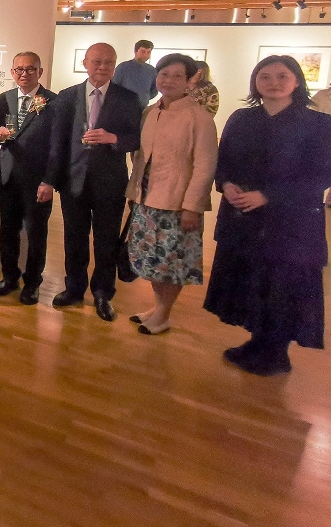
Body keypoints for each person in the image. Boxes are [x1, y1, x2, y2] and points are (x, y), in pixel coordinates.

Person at [204, 56, 331, 375]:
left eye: (282, 76)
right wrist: (226, 184)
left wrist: (268, 196)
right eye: (265, 76)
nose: (273, 82)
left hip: (291, 222)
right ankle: (258, 342)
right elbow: (224, 160)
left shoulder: (318, 124)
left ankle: (275, 352)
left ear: (297, 81)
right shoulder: (241, 119)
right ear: (255, 82)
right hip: (243, 217)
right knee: (252, 280)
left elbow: (320, 175)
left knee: (282, 285)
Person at [43, 43, 141, 322]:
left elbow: (137, 139)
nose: (102, 67)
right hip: (73, 181)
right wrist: (50, 180)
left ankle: (102, 293)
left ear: (115, 65)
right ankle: (74, 289)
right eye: (97, 61)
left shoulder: (128, 98)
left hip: (110, 182)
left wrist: (114, 139)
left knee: (106, 241)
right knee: (74, 239)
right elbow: (57, 144)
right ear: (85, 63)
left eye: (109, 62)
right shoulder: (67, 97)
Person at [123, 54, 218, 335]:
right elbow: (140, 156)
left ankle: (164, 314)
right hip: (146, 198)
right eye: (164, 74)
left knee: (171, 262)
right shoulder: (150, 112)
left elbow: (205, 166)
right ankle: (158, 307)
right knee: (152, 260)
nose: (169, 80)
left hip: (177, 203)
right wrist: (134, 190)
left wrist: (192, 206)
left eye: (178, 76)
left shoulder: (199, 117)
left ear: (190, 80)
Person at [0, 51, 57, 305]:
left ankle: (32, 283)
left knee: (36, 234)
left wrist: (49, 181)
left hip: (37, 181)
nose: (24, 74)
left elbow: (56, 145)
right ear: (12, 72)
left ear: (40, 72)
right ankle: (10, 277)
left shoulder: (52, 101)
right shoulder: (4, 98)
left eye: (30, 69)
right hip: (8, 177)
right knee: (8, 231)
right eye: (19, 69)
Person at [112, 39, 157, 109]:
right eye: (143, 51)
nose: (146, 55)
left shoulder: (152, 70)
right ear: (135, 51)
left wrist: (144, 98)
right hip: (124, 109)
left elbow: (154, 90)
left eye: (148, 52)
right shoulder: (123, 67)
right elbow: (113, 88)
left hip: (142, 109)